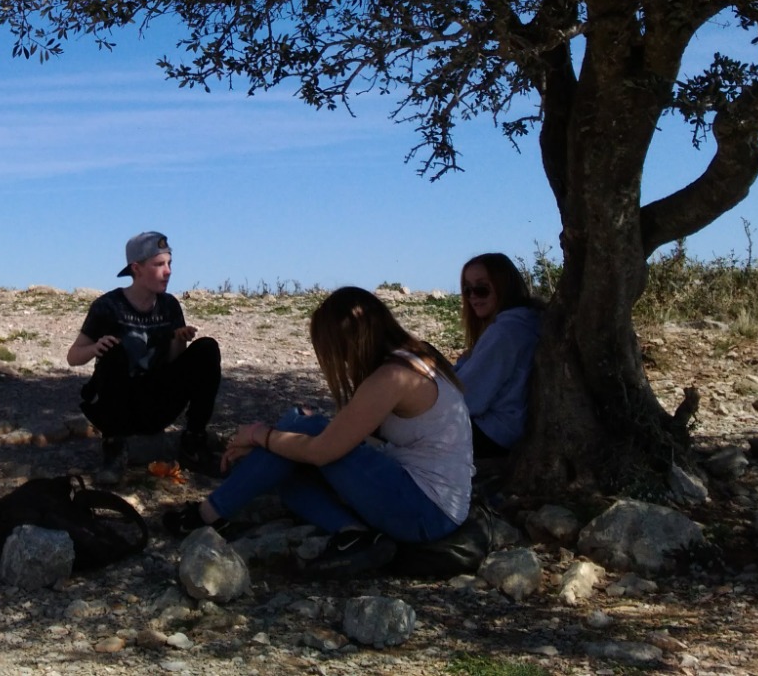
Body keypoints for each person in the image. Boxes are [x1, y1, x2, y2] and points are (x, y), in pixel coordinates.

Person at [160, 287, 471, 577]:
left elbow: (322, 451)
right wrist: (273, 441)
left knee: (303, 429)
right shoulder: (416, 357)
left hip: (425, 511)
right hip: (427, 505)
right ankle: (352, 533)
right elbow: (353, 434)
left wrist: (259, 436)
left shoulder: (393, 376)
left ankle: (208, 514)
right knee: (291, 451)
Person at [68, 232, 224, 479]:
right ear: (137, 269)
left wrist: (178, 340)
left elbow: (173, 363)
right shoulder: (108, 306)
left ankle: (193, 442)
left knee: (207, 348)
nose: (168, 271)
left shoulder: (169, 305)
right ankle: (114, 449)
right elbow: (73, 356)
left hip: (157, 403)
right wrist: (95, 348)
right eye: (159, 264)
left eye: (169, 263)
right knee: (114, 350)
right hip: (118, 407)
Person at [454, 253, 544, 460]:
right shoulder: (528, 320)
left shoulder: (505, 332)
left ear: (503, 287)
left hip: (495, 432)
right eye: (467, 290)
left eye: (481, 289)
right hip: (508, 428)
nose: (473, 296)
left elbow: (468, 398)